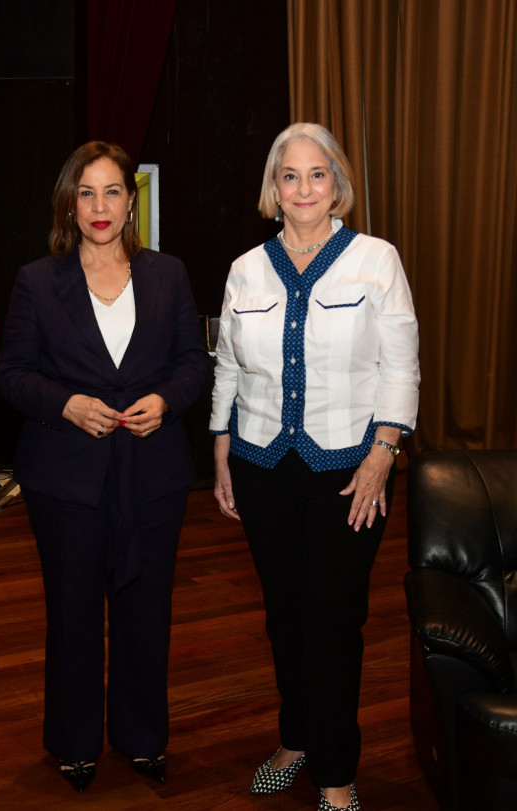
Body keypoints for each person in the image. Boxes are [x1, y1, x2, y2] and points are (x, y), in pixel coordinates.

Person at [210, 123, 419, 811]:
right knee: (283, 615)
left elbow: (402, 366)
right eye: (289, 175)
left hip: (348, 473)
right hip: (262, 464)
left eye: (317, 174)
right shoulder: (246, 268)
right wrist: (220, 447)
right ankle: (295, 735)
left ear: (338, 185)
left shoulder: (376, 260)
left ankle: (335, 769)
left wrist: (382, 456)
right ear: (274, 188)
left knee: (332, 619)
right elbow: (230, 368)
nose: (303, 188)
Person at [0, 141, 208, 793]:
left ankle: (142, 736)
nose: (99, 206)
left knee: (147, 610)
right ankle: (75, 740)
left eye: (112, 191)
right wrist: (67, 404)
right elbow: (10, 374)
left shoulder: (169, 273)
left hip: (153, 473)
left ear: (131, 200)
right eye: (85, 193)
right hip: (65, 478)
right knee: (74, 610)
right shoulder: (37, 279)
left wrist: (166, 400)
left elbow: (194, 365)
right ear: (69, 202)